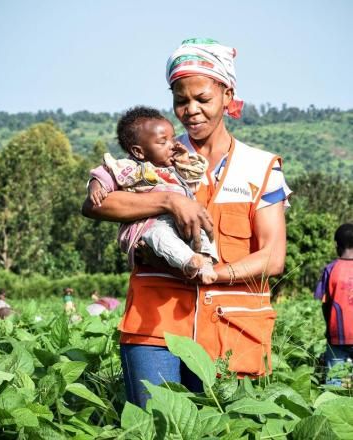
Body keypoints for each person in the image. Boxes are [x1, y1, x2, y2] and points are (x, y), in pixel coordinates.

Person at [82, 37, 290, 408]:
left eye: (203, 99)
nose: (190, 110)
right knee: (155, 428)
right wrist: (168, 200)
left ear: (228, 95)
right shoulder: (155, 153)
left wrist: (215, 274)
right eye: (181, 100)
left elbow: (273, 258)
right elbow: (97, 204)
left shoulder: (261, 168)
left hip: (231, 328)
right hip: (154, 325)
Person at [89, 106, 217, 283]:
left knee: (202, 226)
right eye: (163, 142)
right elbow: (103, 174)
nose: (172, 145)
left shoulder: (173, 167)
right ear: (138, 151)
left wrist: (185, 161)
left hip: (181, 221)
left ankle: (206, 262)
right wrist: (96, 187)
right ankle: (189, 262)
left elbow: (193, 180)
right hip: (151, 224)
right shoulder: (128, 168)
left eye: (172, 139)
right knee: (159, 235)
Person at [314, 223, 353, 386]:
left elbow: (324, 303)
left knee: (334, 382)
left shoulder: (330, 269)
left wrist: (329, 329)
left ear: (337, 245)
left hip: (338, 335)